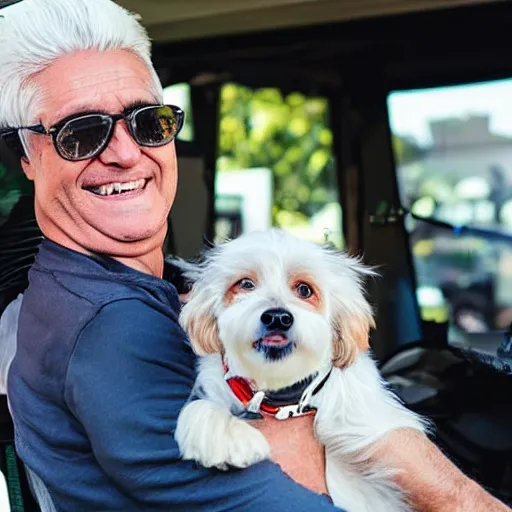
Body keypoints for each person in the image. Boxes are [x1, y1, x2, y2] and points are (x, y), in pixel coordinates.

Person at [0, 1, 509, 511]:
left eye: (146, 122)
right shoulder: (115, 331)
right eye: (81, 133)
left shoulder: (133, 288)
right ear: (26, 155)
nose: (126, 153)